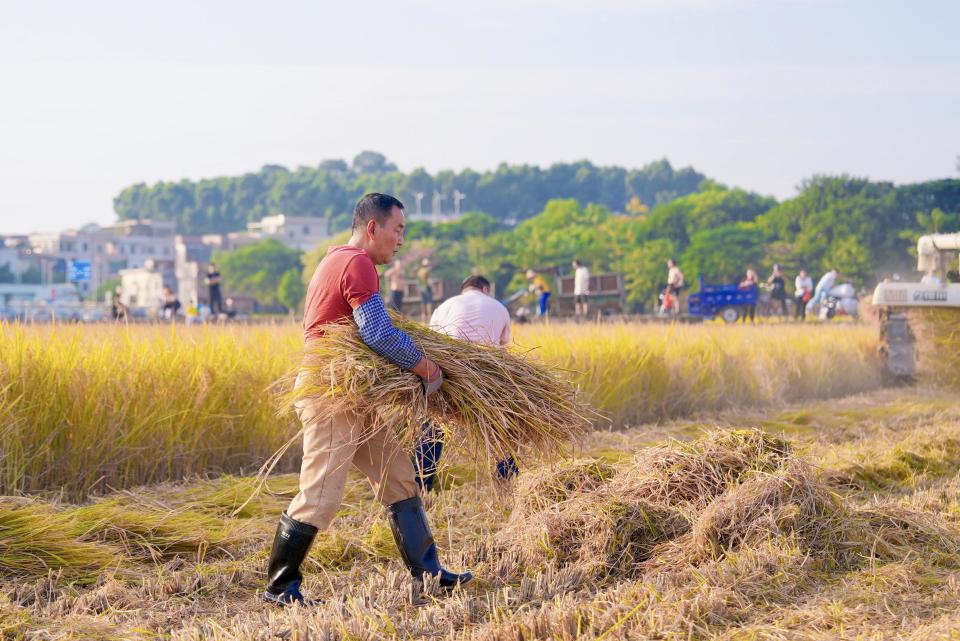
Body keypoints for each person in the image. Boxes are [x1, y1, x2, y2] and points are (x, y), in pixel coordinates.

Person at [262, 193, 471, 607]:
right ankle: (279, 587)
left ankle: (429, 575)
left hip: (354, 392)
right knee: (321, 493)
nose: (401, 240)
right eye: (398, 230)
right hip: (331, 393)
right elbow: (377, 333)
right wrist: (426, 367)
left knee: (398, 477)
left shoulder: (337, 258)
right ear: (372, 227)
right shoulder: (356, 262)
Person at [414, 274, 517, 491]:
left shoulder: (446, 305)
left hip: (447, 376)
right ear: (486, 289)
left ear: (464, 290)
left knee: (433, 426)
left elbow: (431, 344)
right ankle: (507, 480)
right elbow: (502, 348)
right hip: (484, 379)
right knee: (498, 426)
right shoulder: (498, 307)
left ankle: (421, 485)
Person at [416, 258, 434, 323]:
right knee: (429, 303)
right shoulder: (427, 270)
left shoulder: (420, 271)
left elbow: (418, 281)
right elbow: (429, 280)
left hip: (421, 288)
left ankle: (423, 318)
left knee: (423, 303)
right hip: (427, 288)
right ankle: (429, 317)